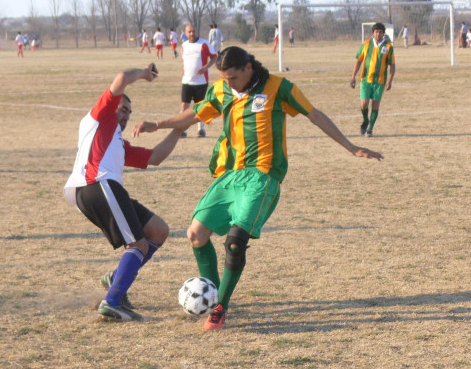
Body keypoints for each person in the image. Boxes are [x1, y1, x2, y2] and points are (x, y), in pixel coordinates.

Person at [132, 46, 384, 330]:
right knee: (195, 235)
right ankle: (214, 292)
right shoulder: (220, 91)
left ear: (248, 68)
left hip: (263, 176)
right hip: (231, 175)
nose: (228, 83)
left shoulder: (280, 87)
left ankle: (221, 307)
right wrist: (157, 124)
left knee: (236, 241)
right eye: (224, 78)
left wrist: (351, 147)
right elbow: (194, 115)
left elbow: (315, 115)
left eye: (233, 78)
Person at [63, 63, 183, 322]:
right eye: (123, 109)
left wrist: (179, 127)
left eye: (130, 112)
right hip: (97, 184)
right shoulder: (100, 116)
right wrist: (144, 74)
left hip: (102, 187)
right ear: (112, 106)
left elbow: (156, 157)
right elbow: (121, 78)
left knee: (158, 230)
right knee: (138, 244)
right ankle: (113, 302)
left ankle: (115, 279)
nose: (127, 115)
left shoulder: (117, 141)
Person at [350, 22, 395, 137]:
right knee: (364, 104)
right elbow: (358, 61)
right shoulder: (366, 45)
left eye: (380, 32)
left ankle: (370, 129)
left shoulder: (388, 47)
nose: (378, 34)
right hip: (366, 79)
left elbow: (392, 65)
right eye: (376, 32)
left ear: (383, 33)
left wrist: (390, 80)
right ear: (373, 33)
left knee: (375, 105)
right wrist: (353, 76)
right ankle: (366, 120)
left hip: (379, 81)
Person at [180, 23, 217, 138]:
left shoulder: (204, 43)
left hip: (201, 82)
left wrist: (205, 67)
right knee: (184, 107)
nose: (192, 34)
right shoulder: (184, 45)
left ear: (197, 31)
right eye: (189, 32)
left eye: (193, 31)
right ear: (185, 33)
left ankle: (201, 130)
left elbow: (214, 57)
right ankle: (183, 130)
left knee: (199, 106)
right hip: (187, 81)